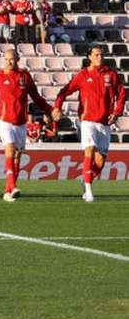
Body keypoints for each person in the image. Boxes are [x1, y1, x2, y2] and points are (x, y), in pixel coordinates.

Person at [0, 49, 52, 201]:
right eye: (7, 59)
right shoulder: (0, 77)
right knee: (9, 150)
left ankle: (8, 190)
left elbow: (36, 97)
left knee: (17, 157)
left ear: (18, 59)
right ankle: (13, 186)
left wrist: (49, 109)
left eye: (12, 59)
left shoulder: (25, 76)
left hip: (21, 122)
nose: (9, 62)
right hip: (4, 120)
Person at [52, 45, 126, 202]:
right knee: (89, 150)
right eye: (97, 55)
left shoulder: (111, 74)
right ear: (89, 57)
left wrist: (117, 112)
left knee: (100, 161)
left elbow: (121, 94)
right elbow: (65, 91)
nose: (100, 57)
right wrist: (57, 106)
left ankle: (86, 179)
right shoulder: (83, 75)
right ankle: (89, 191)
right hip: (87, 120)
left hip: (105, 122)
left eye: (101, 55)